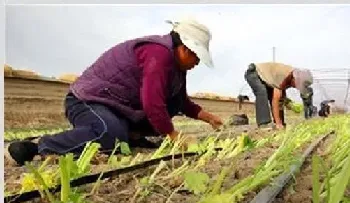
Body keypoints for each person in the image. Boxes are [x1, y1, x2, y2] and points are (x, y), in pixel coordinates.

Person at [7, 18, 224, 166]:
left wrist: (207, 116)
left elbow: (180, 101)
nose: (197, 62)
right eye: (196, 56)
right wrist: (173, 135)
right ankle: (38, 146)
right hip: (88, 101)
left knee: (170, 106)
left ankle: (130, 135)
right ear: (185, 47)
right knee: (109, 136)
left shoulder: (177, 67)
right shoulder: (159, 55)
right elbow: (152, 102)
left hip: (119, 109)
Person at [244, 62, 313, 129]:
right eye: (297, 84)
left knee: (279, 98)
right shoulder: (283, 76)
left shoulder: (292, 76)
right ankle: (264, 123)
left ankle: (280, 122)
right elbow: (275, 101)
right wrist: (278, 123)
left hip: (266, 79)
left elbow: (281, 97)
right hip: (254, 73)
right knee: (262, 92)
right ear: (295, 79)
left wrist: (287, 103)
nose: (296, 87)